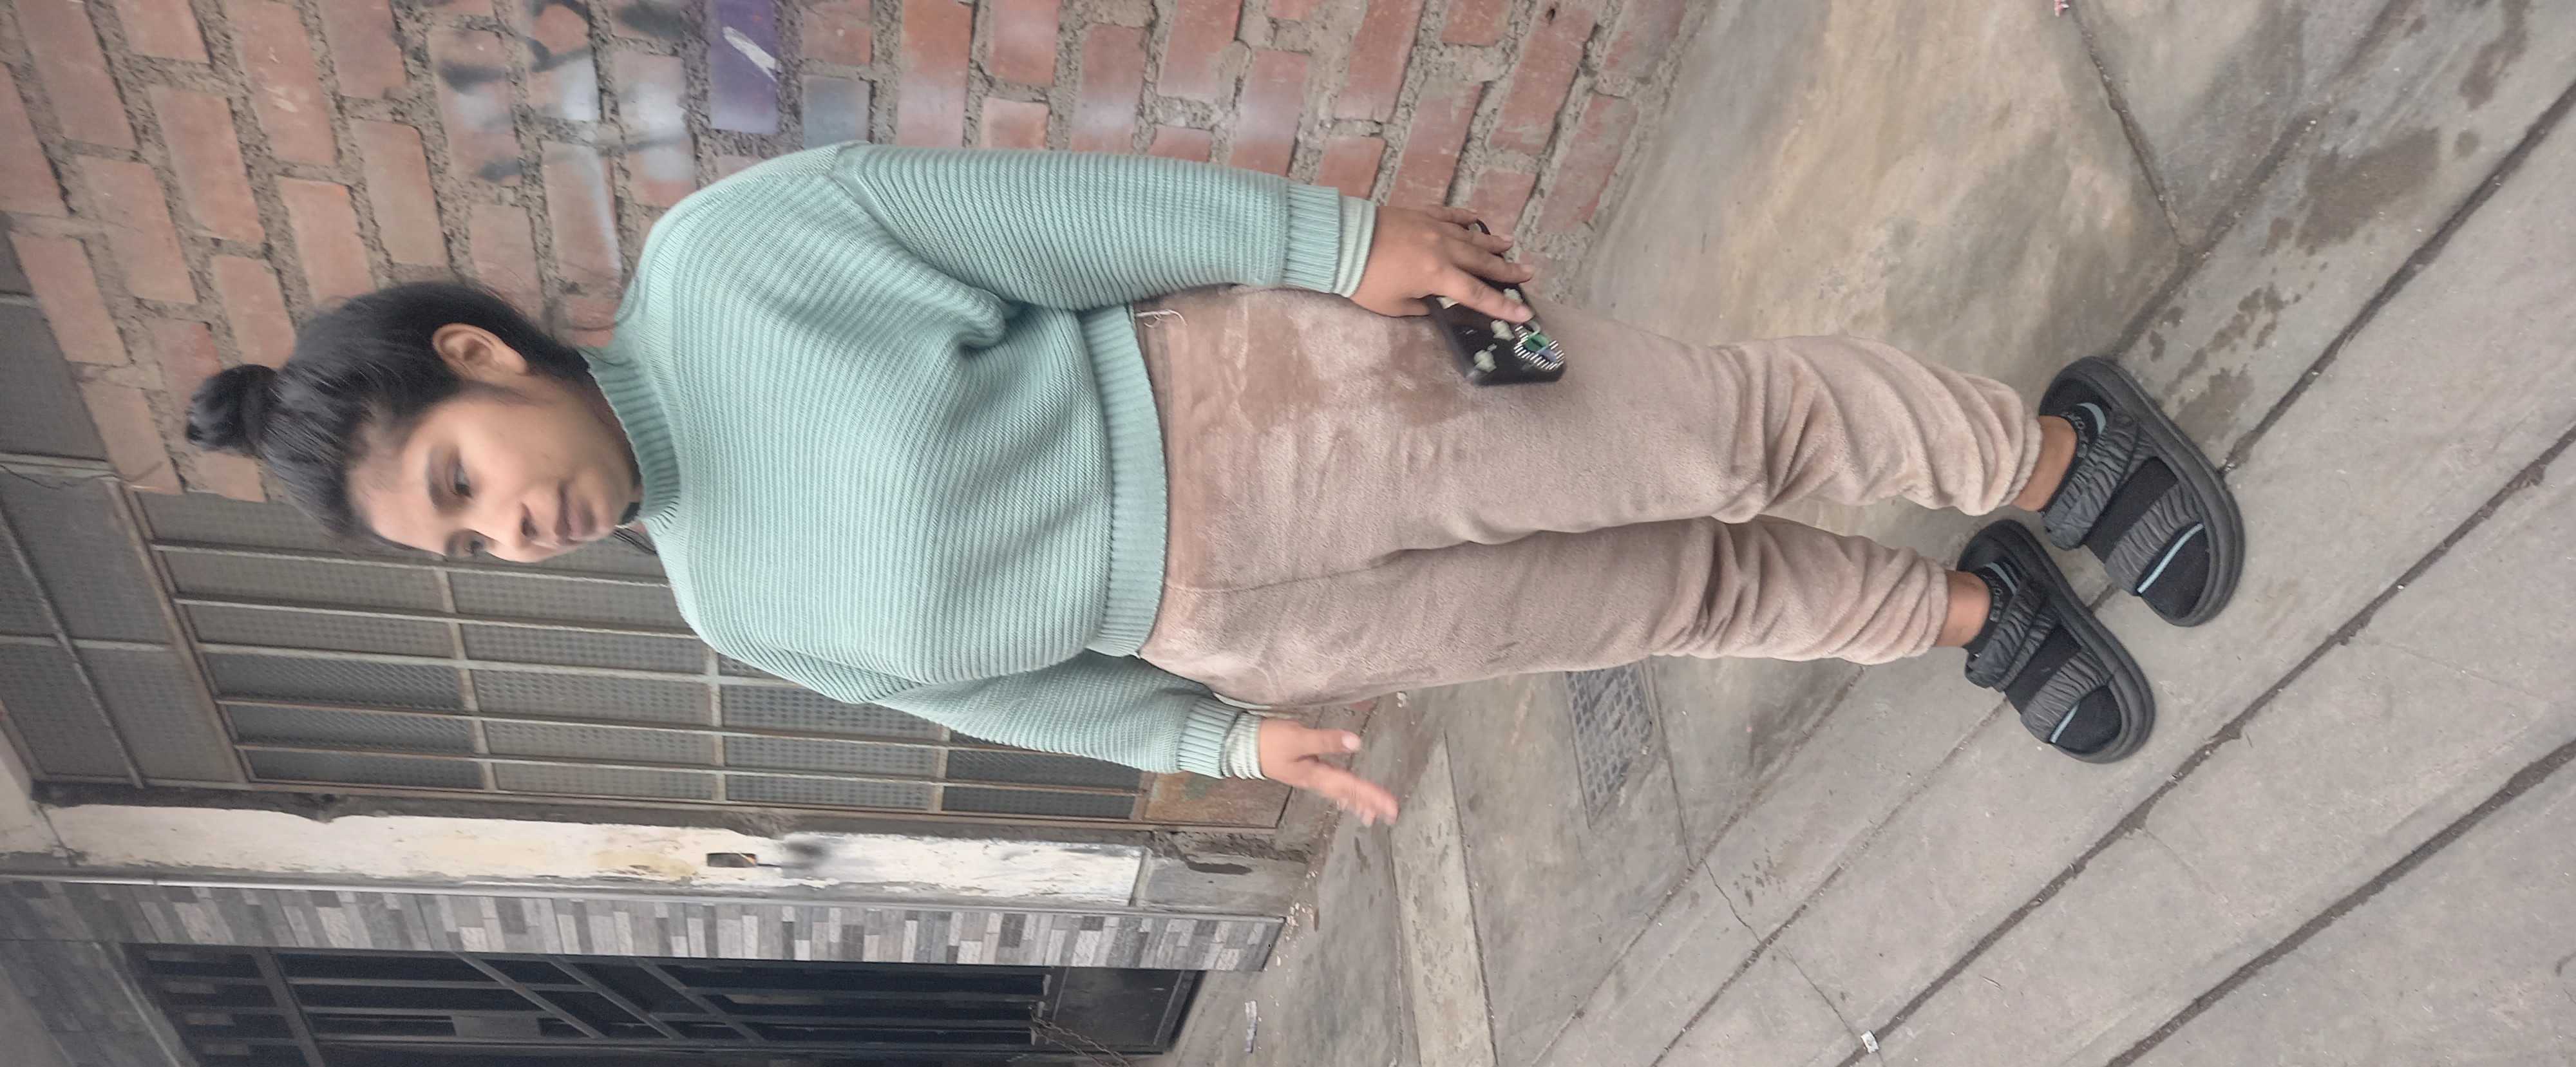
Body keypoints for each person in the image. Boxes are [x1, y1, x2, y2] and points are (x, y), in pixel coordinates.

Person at [188, 146, 2242, 824]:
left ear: (483, 360)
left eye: (462, 478)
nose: (507, 531)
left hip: (1265, 395)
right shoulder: (728, 604)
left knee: (1709, 430)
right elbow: (1000, 699)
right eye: (461, 546)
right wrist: (1224, 736)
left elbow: (1049, 218)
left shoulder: (729, 263)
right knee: (1658, 595)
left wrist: (1335, 243)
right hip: (1235, 618)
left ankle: (2055, 456)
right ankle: (1966, 609)